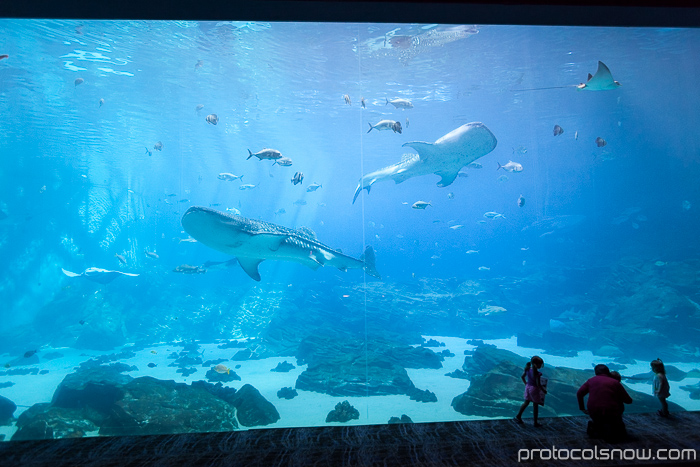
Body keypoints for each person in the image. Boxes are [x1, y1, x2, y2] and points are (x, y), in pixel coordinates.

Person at [577, 364, 633, 442]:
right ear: (608, 372)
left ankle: (595, 425)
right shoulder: (615, 382)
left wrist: (582, 408)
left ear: (596, 372)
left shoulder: (591, 380)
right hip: (612, 412)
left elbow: (579, 393)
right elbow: (628, 400)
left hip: (594, 411)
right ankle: (615, 427)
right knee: (618, 430)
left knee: (599, 421)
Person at [514, 356, 547, 427]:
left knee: (526, 402)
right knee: (535, 406)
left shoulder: (527, 369)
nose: (541, 366)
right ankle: (535, 422)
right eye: (540, 364)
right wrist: (543, 390)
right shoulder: (538, 373)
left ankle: (518, 416)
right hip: (534, 389)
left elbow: (522, 377)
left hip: (528, 387)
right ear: (536, 364)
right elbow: (538, 384)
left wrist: (526, 383)